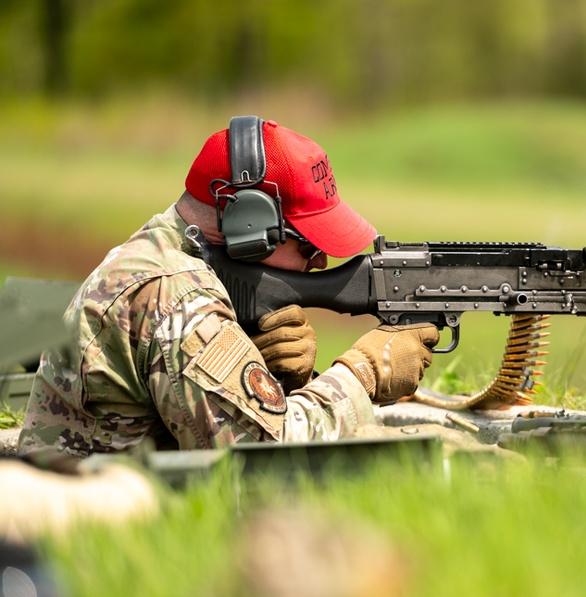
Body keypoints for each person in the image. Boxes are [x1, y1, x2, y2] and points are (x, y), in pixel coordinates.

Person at [17, 117, 439, 455]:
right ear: (248, 227)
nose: (321, 262)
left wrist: (263, 366)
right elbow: (261, 458)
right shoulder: (178, 298)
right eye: (308, 245)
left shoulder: (163, 248)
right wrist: (364, 371)